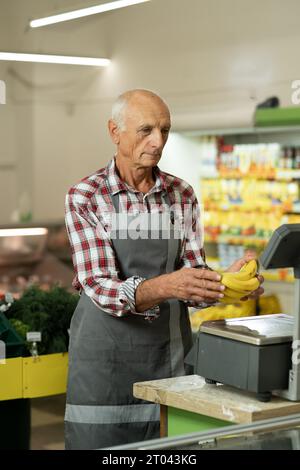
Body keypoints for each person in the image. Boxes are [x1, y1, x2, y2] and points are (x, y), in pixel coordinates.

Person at [64, 89, 264, 449]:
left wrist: (224, 282)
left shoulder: (181, 194)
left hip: (169, 361)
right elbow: (99, 286)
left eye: (165, 130)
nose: (158, 142)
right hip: (105, 366)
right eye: (146, 130)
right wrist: (170, 286)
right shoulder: (85, 196)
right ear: (114, 132)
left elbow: (191, 277)